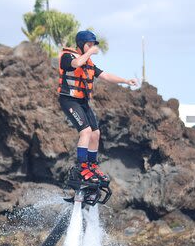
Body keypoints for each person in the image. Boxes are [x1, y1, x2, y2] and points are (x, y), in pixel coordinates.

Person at [58, 30, 138, 184]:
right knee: (86, 131)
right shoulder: (68, 57)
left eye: (93, 45)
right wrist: (89, 53)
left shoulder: (89, 64)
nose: (92, 47)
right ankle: (82, 168)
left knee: (95, 134)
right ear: (81, 45)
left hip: (82, 102)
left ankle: (92, 166)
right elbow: (76, 64)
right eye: (89, 45)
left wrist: (126, 81)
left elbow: (106, 76)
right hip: (69, 100)